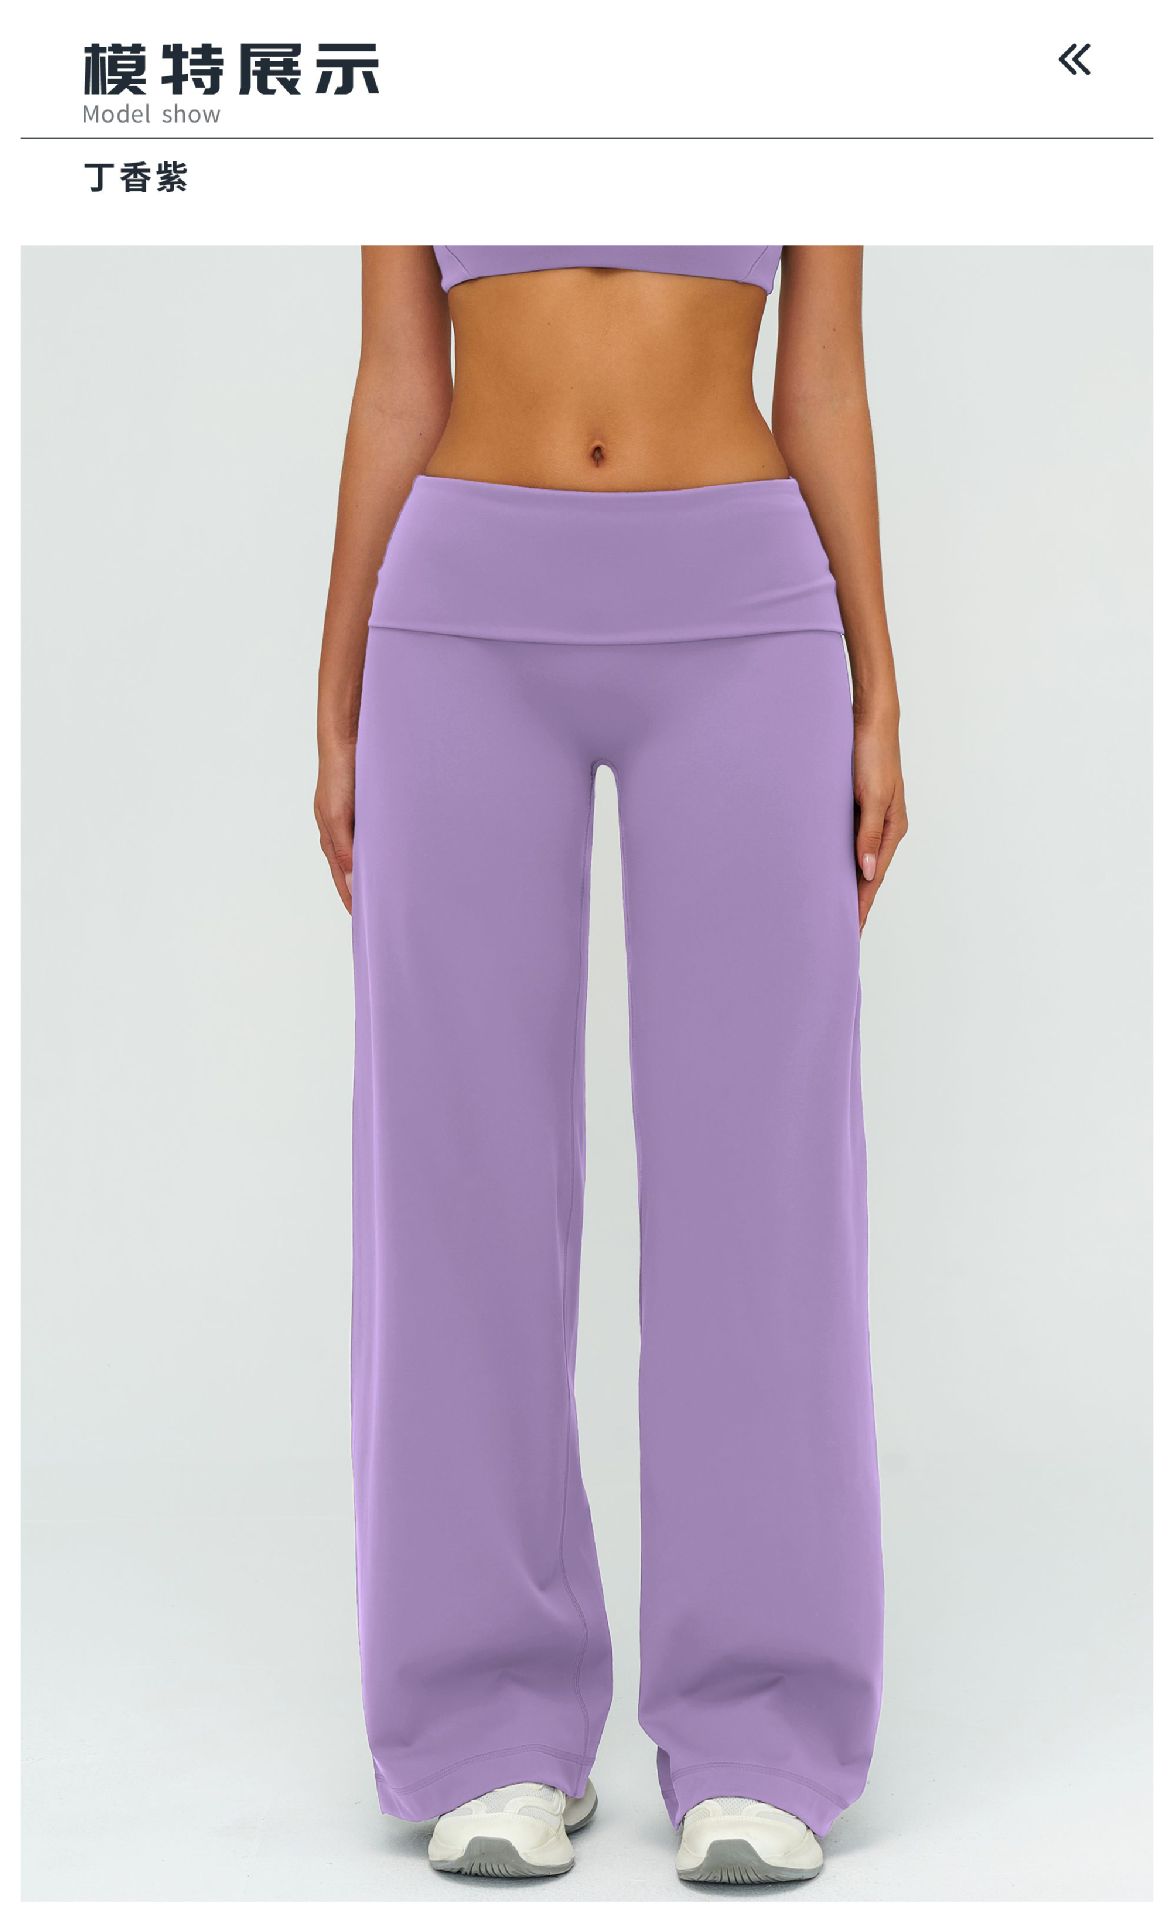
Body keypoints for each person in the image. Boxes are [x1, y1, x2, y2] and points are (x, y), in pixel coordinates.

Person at [315, 245, 907, 1885]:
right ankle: (483, 1722)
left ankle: (764, 1726)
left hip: (746, 616)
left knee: (760, 1187)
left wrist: (876, 685)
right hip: (458, 617)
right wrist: (340, 694)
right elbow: (399, 379)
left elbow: (823, 378)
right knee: (457, 1180)